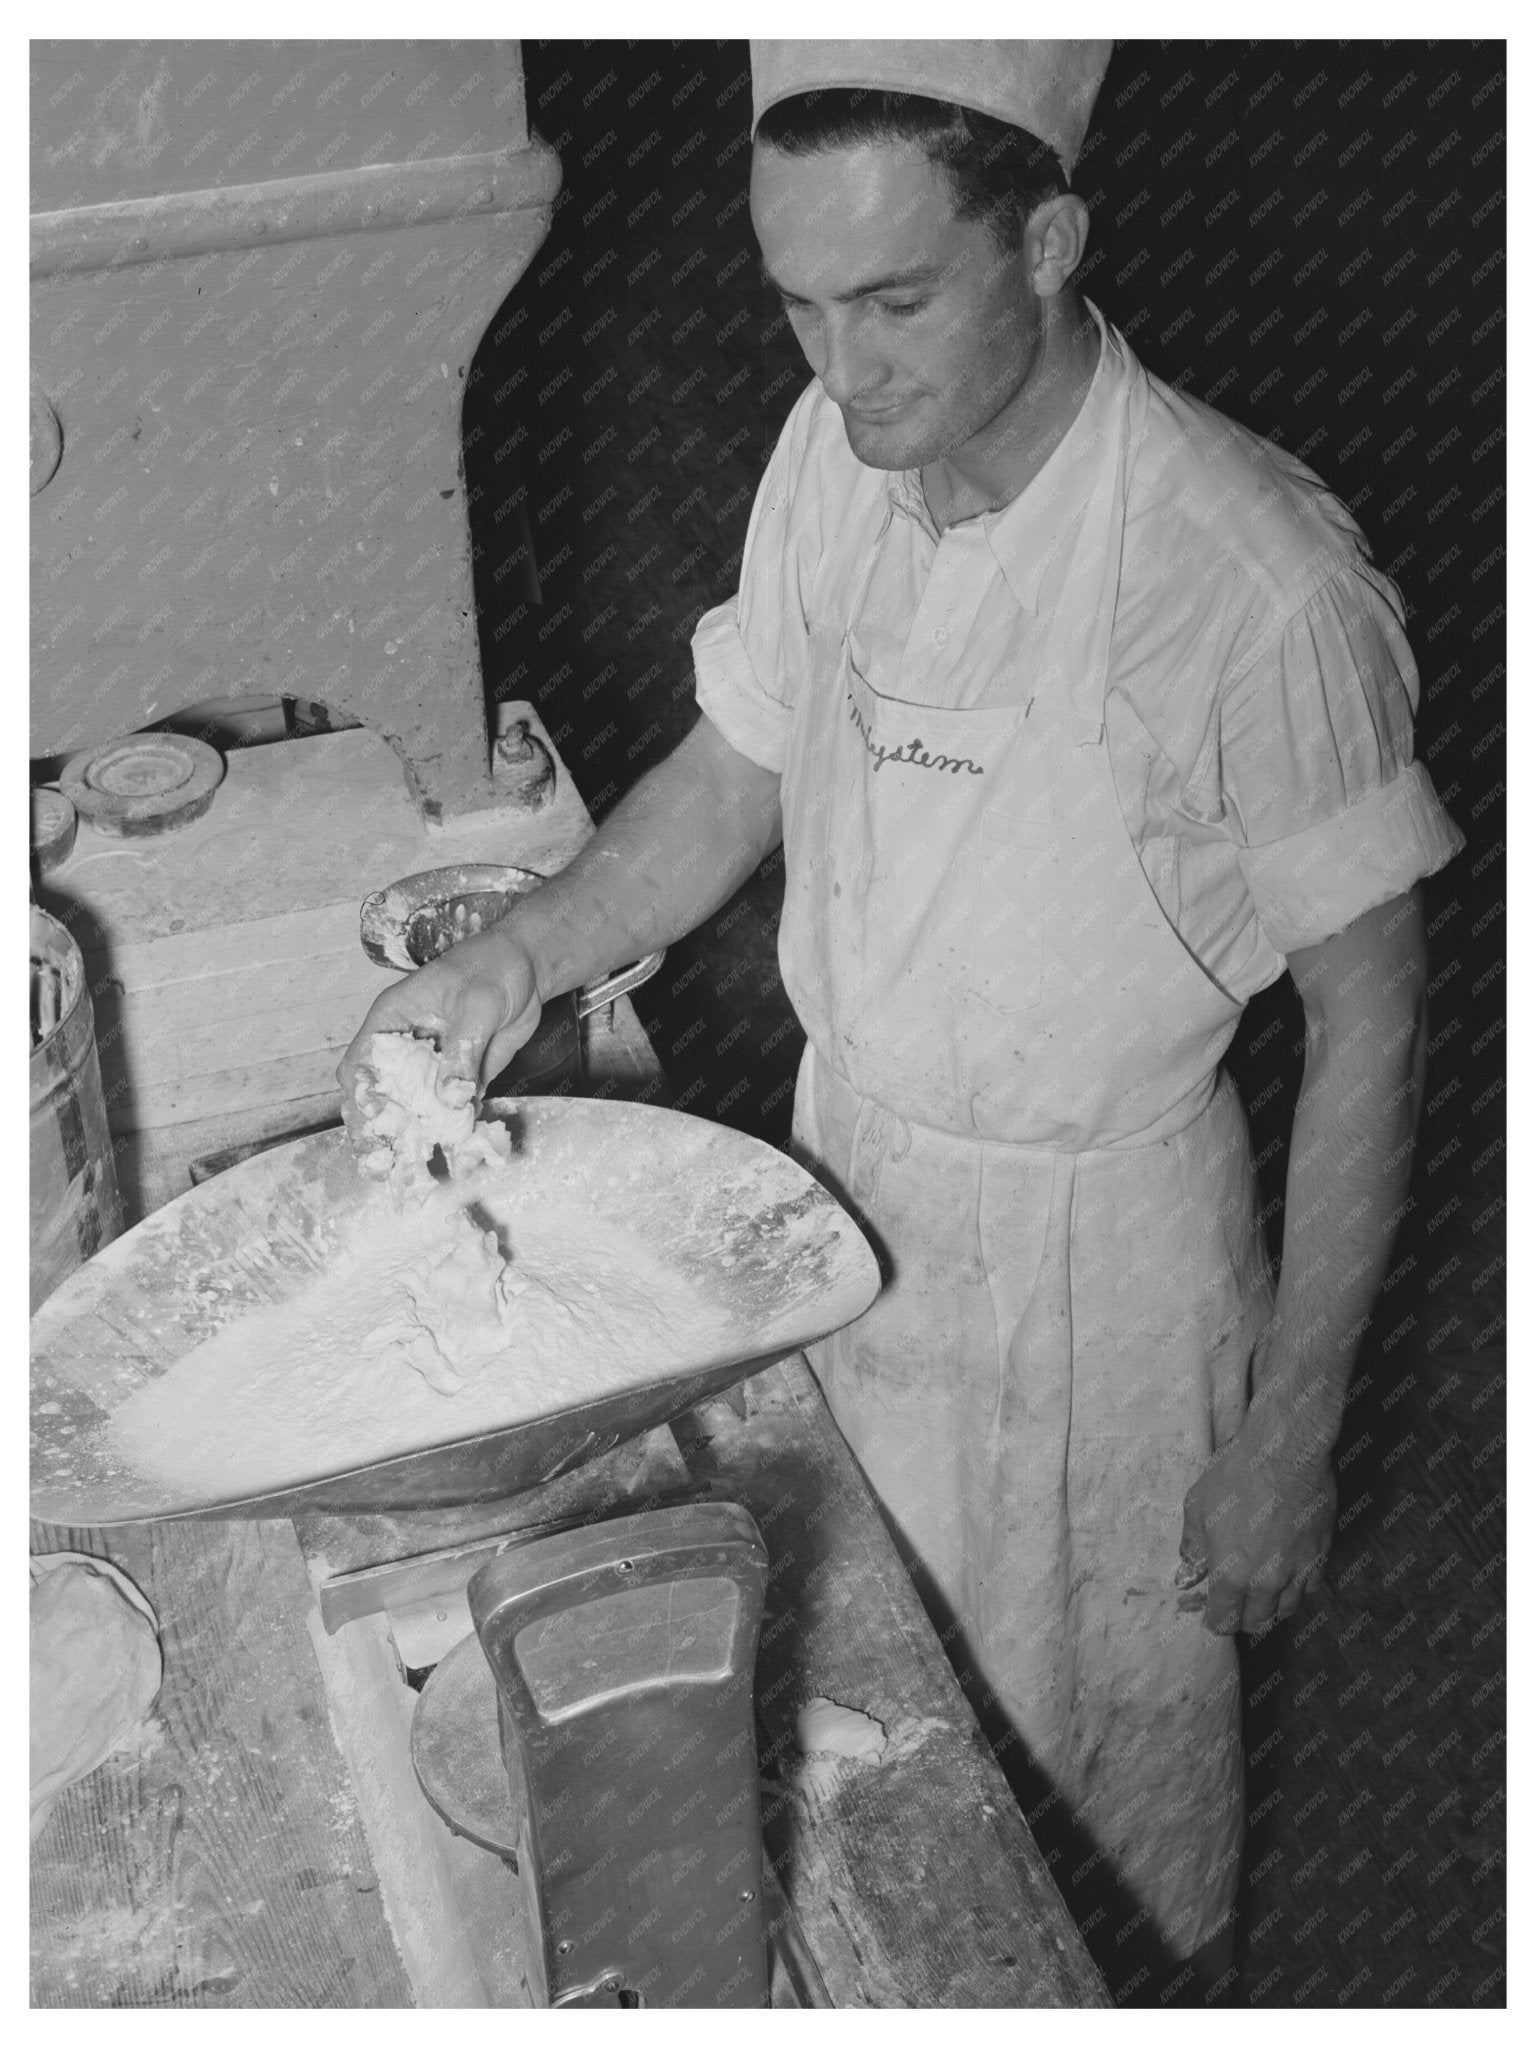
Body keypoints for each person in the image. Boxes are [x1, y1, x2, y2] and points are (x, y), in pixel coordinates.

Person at [340, 41, 1463, 1998]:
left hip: (1095, 1290)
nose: (839, 370)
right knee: (859, 1759)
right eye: (794, 302)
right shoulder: (831, 464)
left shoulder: (1249, 582)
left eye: (893, 301)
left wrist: (1294, 1430)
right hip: (847, 1196)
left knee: (1082, 1849)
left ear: (1048, 235)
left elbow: (1379, 1025)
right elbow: (720, 782)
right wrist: (514, 955)